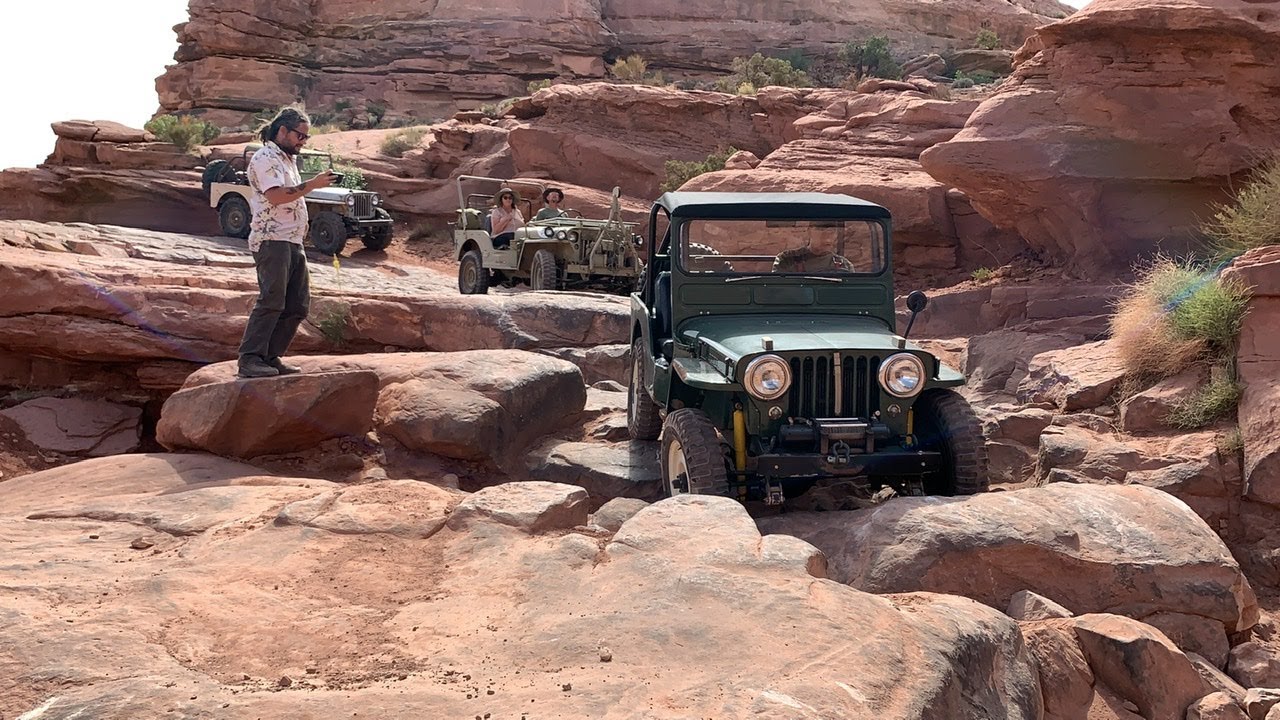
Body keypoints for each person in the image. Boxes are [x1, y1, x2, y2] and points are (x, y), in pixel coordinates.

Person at [236, 106, 339, 379]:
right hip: (272, 239)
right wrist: (312, 185)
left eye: (306, 137)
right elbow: (277, 196)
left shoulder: (286, 159)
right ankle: (250, 359)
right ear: (282, 131)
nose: (303, 141)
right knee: (271, 301)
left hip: (292, 240)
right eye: (300, 136)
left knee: (297, 305)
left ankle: (270, 357)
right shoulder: (265, 158)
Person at [772, 229, 854, 273]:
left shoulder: (845, 265)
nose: (827, 235)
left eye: (832, 230)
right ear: (809, 231)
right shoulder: (787, 259)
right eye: (821, 229)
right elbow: (778, 291)